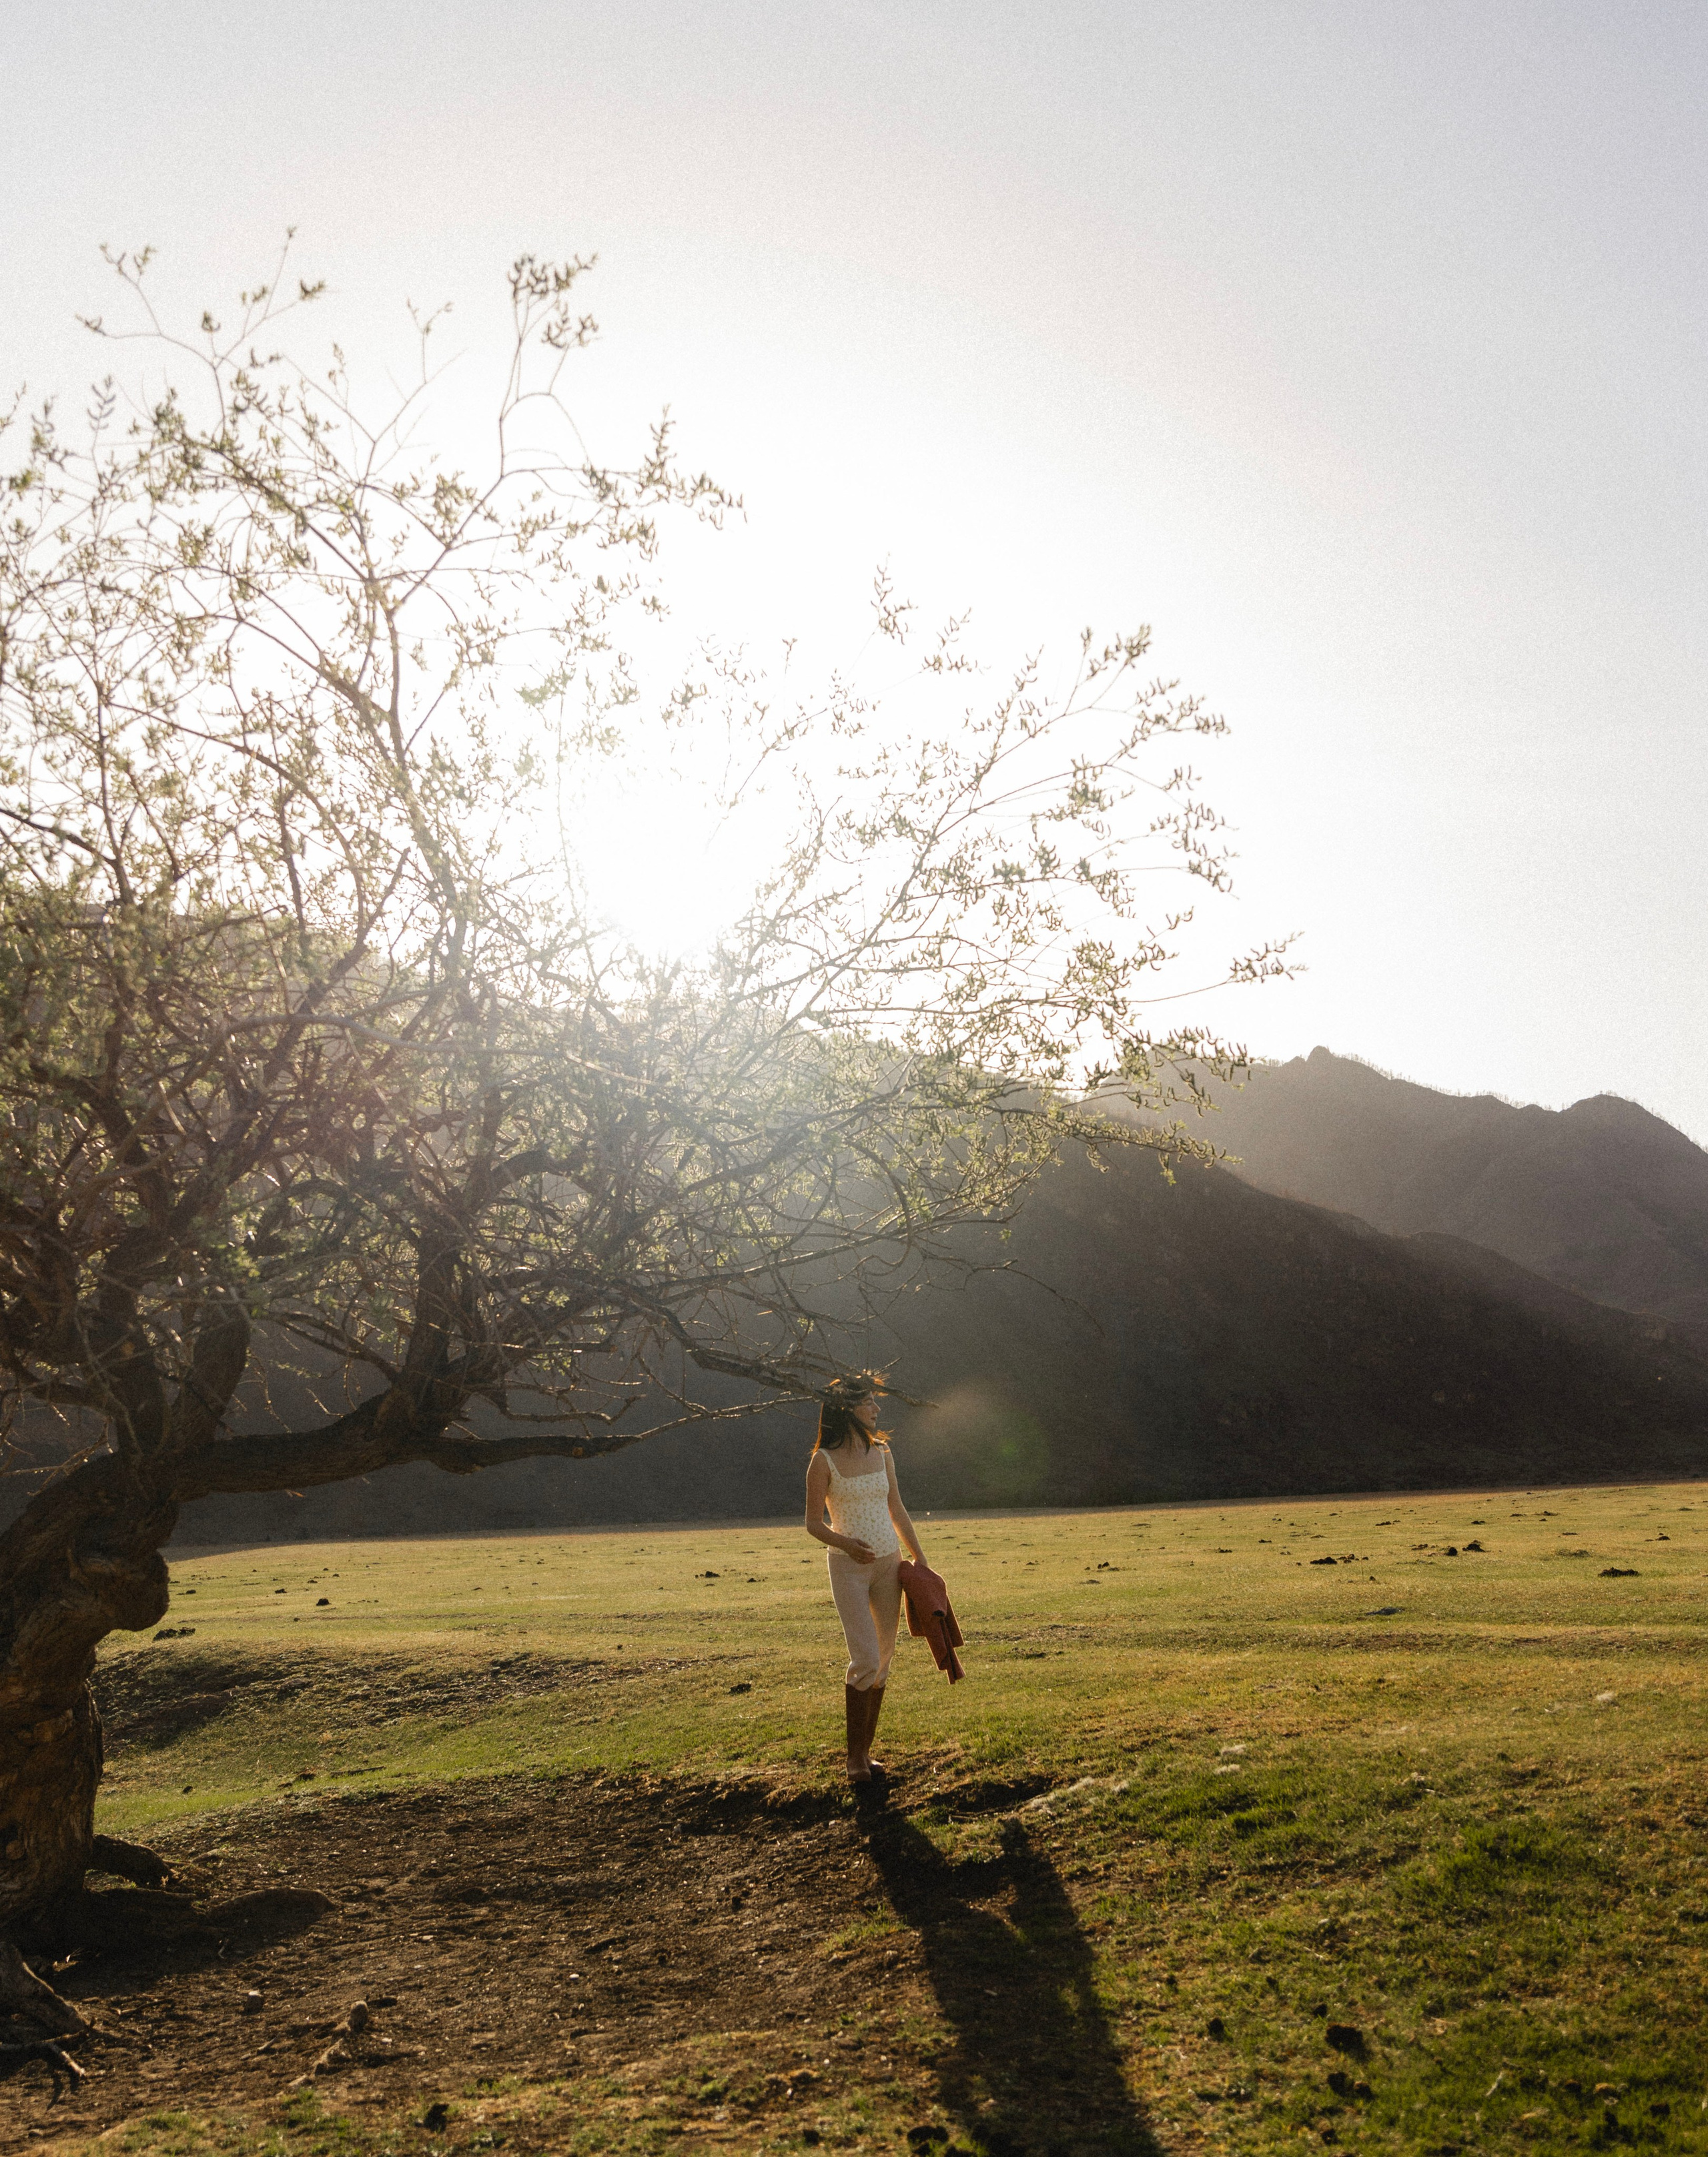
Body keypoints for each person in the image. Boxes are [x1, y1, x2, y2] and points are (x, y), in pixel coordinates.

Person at [804, 1372, 928, 1783]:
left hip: (889, 1565)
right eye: (869, 1403)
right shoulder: (822, 1461)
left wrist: (920, 1559)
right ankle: (853, 1760)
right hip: (848, 1569)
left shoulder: (883, 1453)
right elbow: (812, 1524)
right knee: (866, 1658)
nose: (877, 1409)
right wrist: (847, 1544)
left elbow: (897, 1507)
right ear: (847, 1409)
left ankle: (866, 1754)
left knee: (885, 1659)